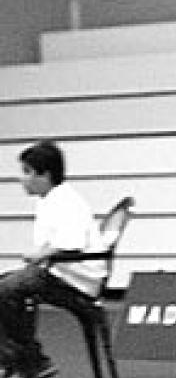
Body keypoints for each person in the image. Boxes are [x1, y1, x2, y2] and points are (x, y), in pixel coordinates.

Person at [0, 141, 106, 378]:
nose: (21, 179)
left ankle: (31, 362)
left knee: (6, 290)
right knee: (5, 287)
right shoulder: (47, 200)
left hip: (75, 280)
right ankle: (18, 360)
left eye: (27, 172)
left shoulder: (67, 202)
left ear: (45, 175)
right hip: (59, 273)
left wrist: (41, 254)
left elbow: (72, 243)